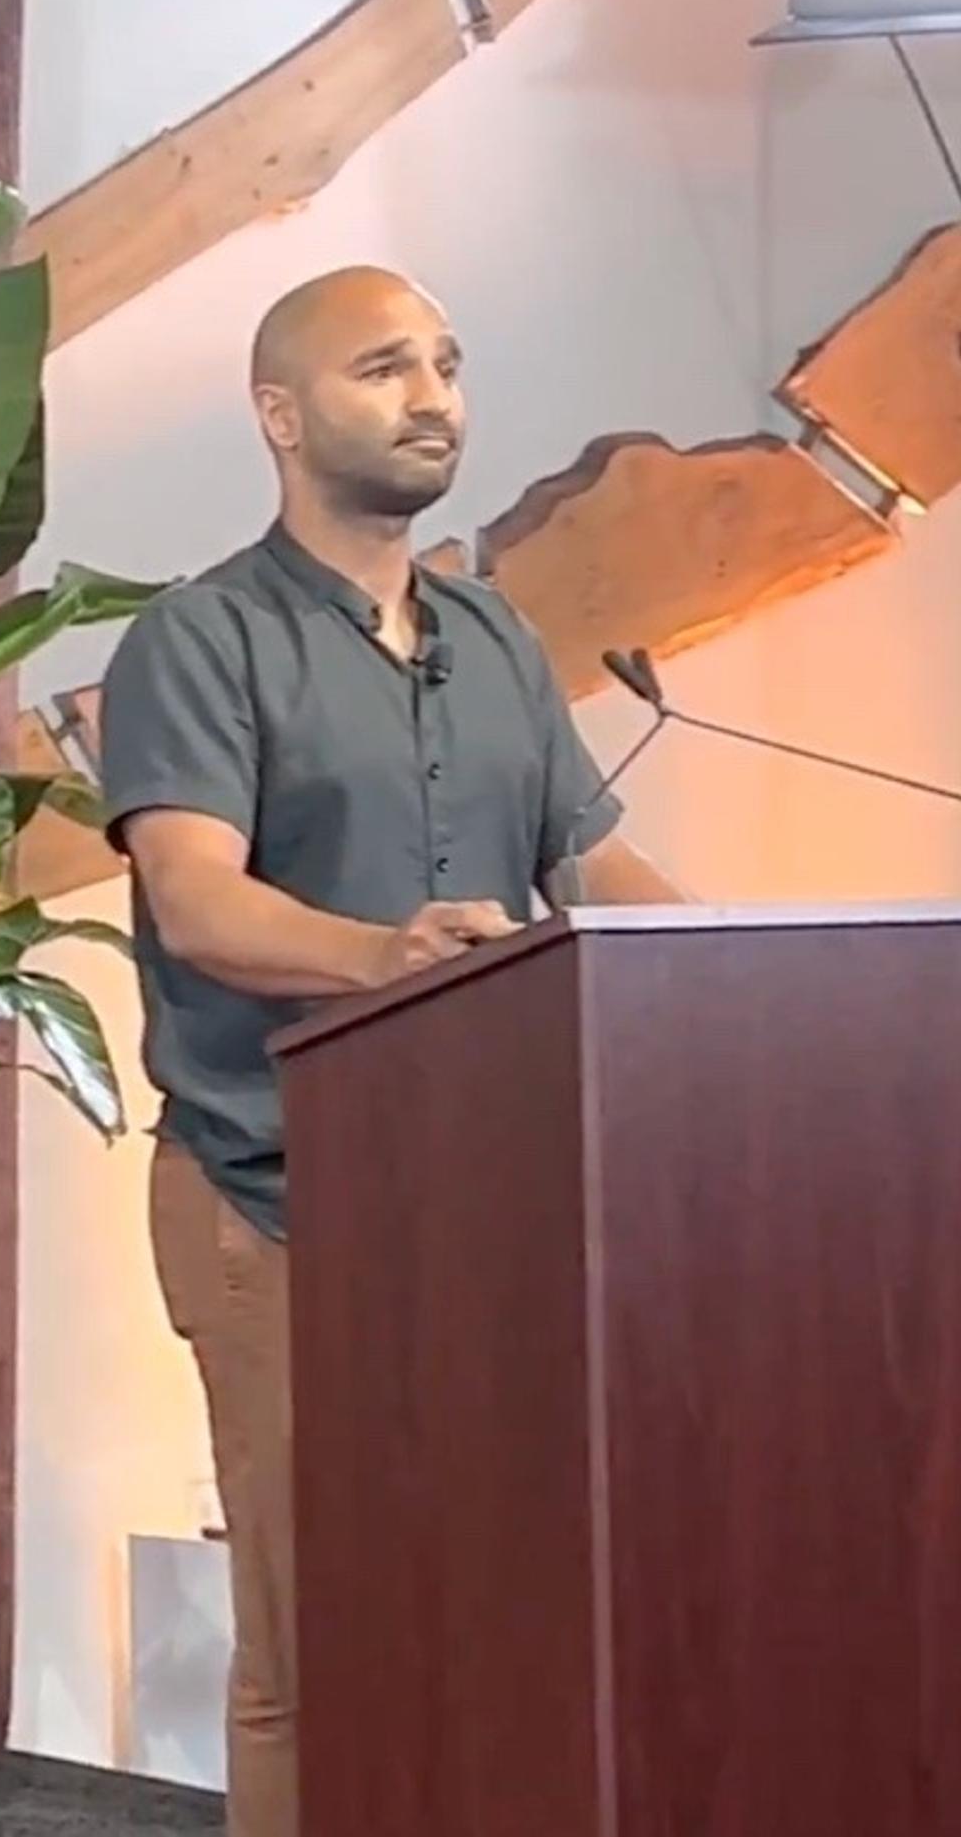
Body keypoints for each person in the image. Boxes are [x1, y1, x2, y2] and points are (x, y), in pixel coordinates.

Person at [96, 266, 681, 1837]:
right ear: (281, 417)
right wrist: (385, 956)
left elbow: (601, 873)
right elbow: (197, 901)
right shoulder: (199, 637)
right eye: (383, 368)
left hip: (493, 1204)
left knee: (486, 1613)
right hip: (273, 1194)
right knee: (314, 1639)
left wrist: (754, 977)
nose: (434, 397)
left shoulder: (495, 634)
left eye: (446, 363)